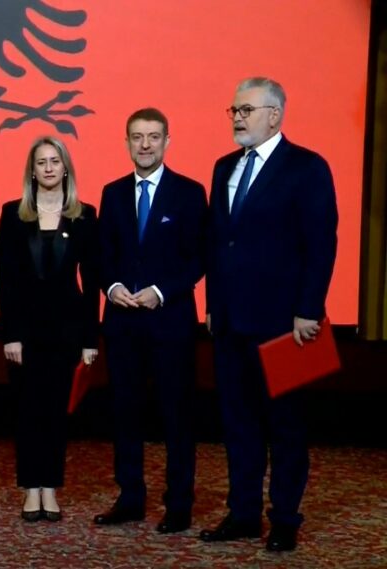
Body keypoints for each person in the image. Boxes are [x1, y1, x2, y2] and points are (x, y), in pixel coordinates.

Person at [202, 77, 337, 552]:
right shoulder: (224, 167)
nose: (237, 118)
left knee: (285, 426)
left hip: (285, 324)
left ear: (274, 115)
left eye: (246, 110)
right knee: (238, 424)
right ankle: (243, 514)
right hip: (230, 321)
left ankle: (284, 518)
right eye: (234, 110)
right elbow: (218, 243)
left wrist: (309, 309)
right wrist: (212, 305)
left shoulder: (307, 167)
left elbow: (321, 243)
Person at [93, 108, 207, 534]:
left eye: (153, 137)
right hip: (122, 323)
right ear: (126, 143)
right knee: (125, 413)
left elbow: (199, 257)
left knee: (177, 415)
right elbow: (102, 255)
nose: (145, 145)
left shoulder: (190, 192)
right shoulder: (112, 193)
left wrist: (161, 291)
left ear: (167, 141)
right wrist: (111, 287)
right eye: (137, 137)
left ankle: (179, 503)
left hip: (170, 322)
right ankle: (130, 498)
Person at [0, 136, 99, 523]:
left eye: (55, 161)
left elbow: (91, 282)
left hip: (66, 332)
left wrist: (90, 339)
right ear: (33, 171)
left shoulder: (84, 215)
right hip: (24, 333)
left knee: (55, 413)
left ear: (65, 167)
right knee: (27, 411)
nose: (49, 168)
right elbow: (5, 280)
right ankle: (30, 488)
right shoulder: (13, 214)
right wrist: (10, 333)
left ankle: (50, 488)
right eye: (42, 162)